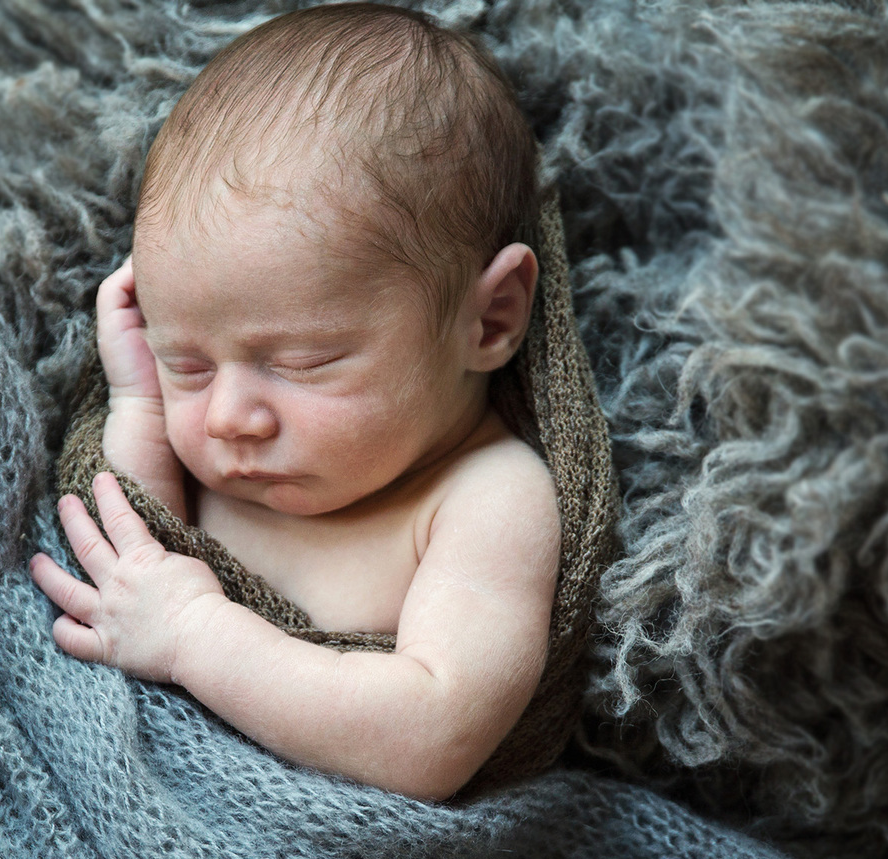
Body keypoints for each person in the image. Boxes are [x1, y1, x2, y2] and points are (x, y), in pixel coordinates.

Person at [29, 3, 560, 801]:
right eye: (191, 365)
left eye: (302, 362)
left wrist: (194, 638)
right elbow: (140, 542)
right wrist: (139, 401)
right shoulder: (207, 437)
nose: (229, 418)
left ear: (488, 321)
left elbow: (432, 736)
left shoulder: (486, 498)